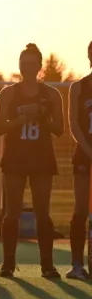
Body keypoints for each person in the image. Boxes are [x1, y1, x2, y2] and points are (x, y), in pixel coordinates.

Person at [0, 43, 64, 278]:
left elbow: (59, 129)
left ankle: (47, 264)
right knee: (12, 211)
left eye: (32, 64)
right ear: (19, 65)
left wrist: (42, 117)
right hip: (15, 157)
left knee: (42, 211)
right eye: (23, 63)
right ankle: (7, 264)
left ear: (39, 66)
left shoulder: (51, 94)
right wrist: (20, 119)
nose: (27, 67)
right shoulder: (8, 93)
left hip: (41, 158)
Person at [66, 41, 92, 280]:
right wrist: (88, 150)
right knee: (81, 208)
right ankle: (76, 264)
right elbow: (73, 124)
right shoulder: (79, 88)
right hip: (85, 155)